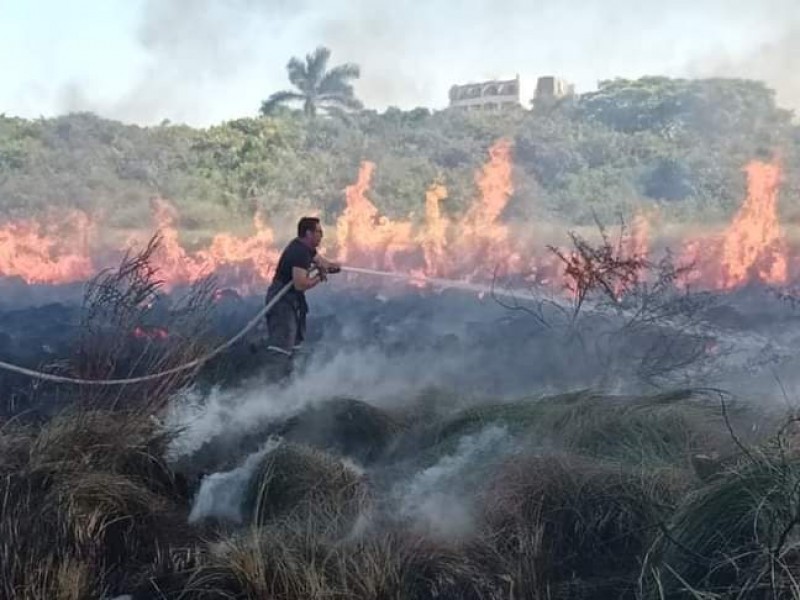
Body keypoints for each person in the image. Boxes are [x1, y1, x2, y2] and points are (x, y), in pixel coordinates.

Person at [263, 216, 340, 382]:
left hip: (293, 301)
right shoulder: (299, 252)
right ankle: (271, 389)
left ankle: (290, 384)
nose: (322, 235)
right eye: (319, 232)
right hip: (282, 301)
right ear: (308, 233)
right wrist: (320, 277)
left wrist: (334, 266)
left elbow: (321, 261)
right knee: (282, 347)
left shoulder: (305, 248)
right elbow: (300, 284)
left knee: (295, 345)